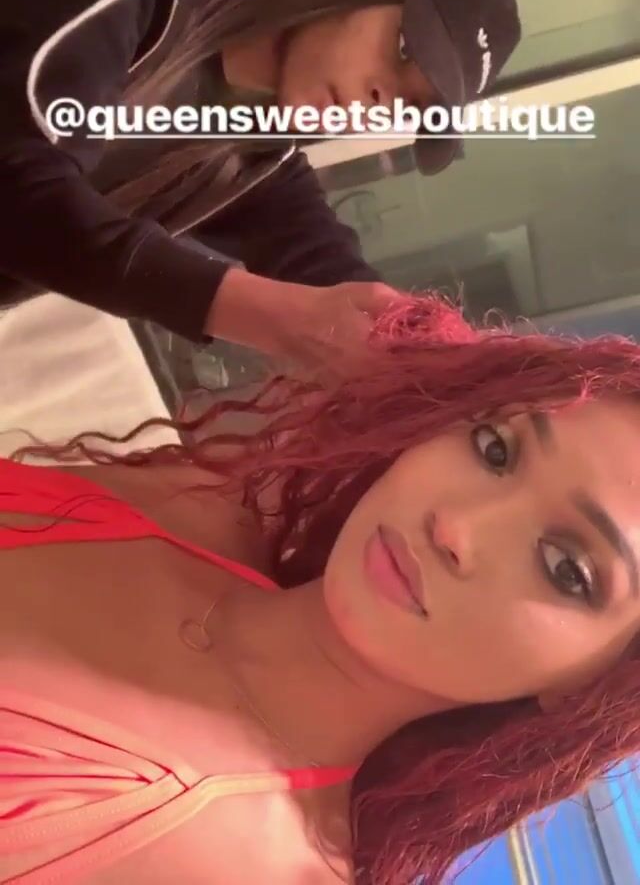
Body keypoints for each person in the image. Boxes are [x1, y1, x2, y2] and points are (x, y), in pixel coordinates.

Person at [2, 291, 640, 883]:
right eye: (495, 448)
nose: (456, 526)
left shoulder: (236, 864)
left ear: (590, 686)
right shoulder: (200, 513)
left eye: (566, 568)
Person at [0, 0, 520, 375]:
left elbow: (329, 270)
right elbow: (15, 184)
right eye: (404, 49)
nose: (381, 101)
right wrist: (260, 315)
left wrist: (421, 360)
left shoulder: (250, 151)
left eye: (410, 105)